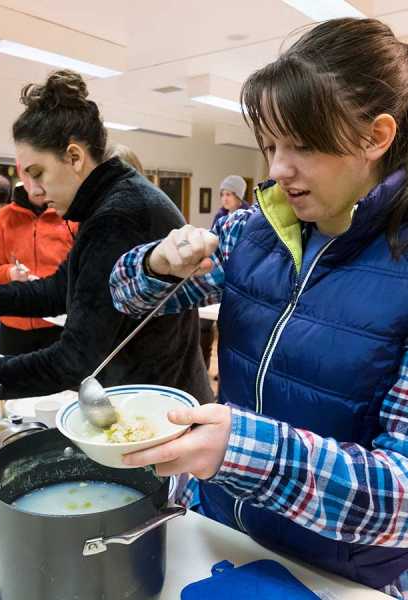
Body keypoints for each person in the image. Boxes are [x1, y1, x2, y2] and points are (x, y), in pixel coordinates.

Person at [109, 18, 408, 597]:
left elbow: (401, 497)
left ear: (376, 137)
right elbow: (126, 298)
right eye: (270, 145)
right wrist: (156, 263)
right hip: (221, 531)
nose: (275, 169)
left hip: (339, 575)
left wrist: (243, 451)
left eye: (302, 145)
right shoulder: (254, 231)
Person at [0, 69, 212, 428]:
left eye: (38, 173)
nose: (32, 188)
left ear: (75, 157)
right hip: (145, 396)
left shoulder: (119, 215)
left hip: (157, 411)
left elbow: (73, 360)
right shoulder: (109, 202)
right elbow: (62, 288)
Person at [0, 168, 77, 356]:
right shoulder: (6, 216)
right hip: (14, 327)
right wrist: (10, 273)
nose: (38, 183)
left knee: (60, 385)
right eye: (31, 175)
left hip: (60, 326)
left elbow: (81, 272)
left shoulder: (69, 215)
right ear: (22, 176)